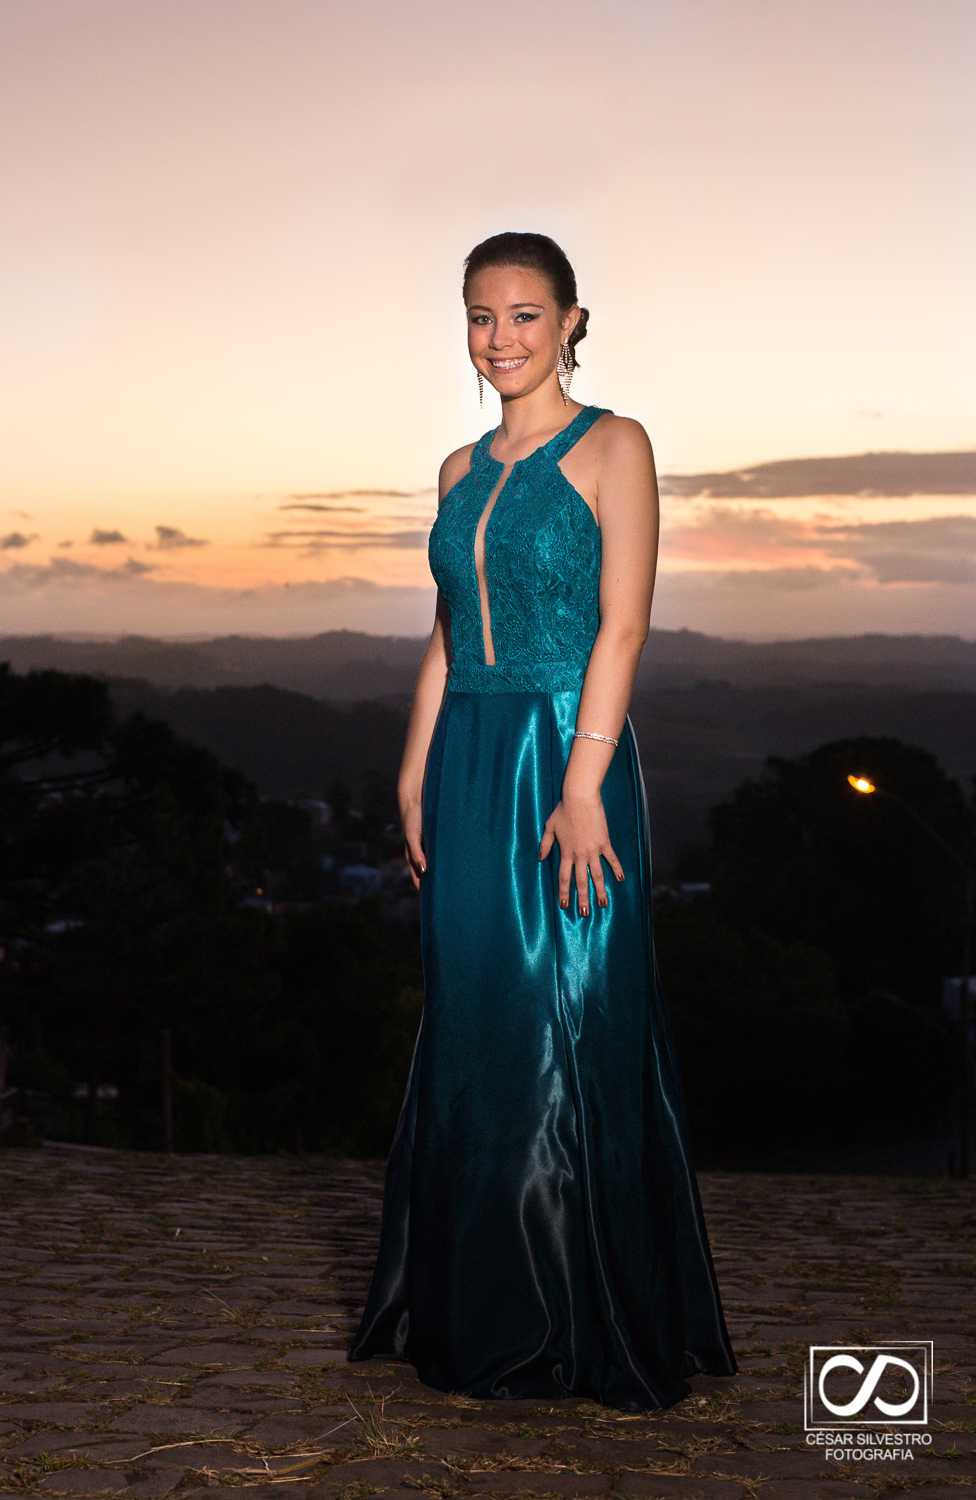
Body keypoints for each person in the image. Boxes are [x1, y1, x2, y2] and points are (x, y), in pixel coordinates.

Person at [346, 231, 737, 1410]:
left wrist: (580, 783)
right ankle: (479, 1306)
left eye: (523, 314)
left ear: (570, 321)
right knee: (478, 1018)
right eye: (479, 315)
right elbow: (445, 632)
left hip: (569, 750)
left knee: (572, 1011)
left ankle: (582, 1317)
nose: (498, 337)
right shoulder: (455, 469)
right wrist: (410, 771)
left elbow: (622, 625)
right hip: (465, 755)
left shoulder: (615, 445)